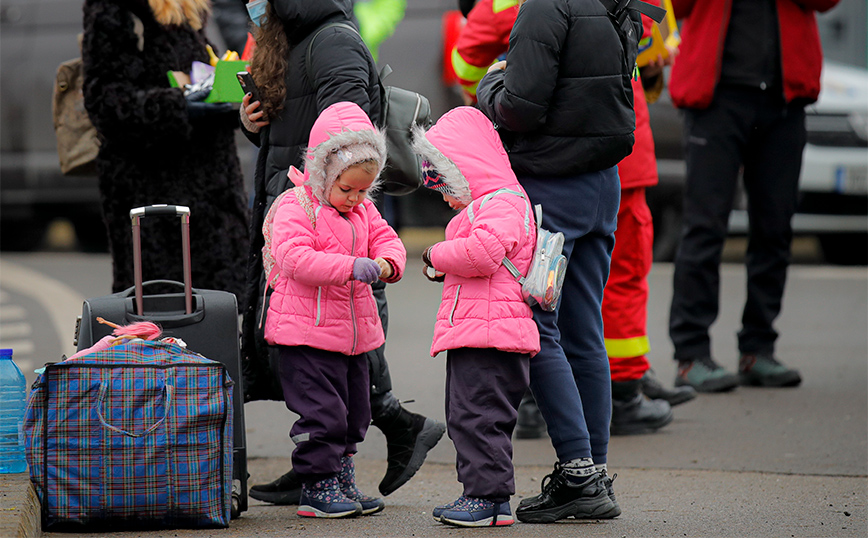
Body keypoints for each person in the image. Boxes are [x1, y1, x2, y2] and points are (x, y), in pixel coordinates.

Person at [238, 0, 445, 505]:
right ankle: (322, 466)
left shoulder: (333, 40)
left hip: (325, 214)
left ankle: (344, 459)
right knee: (306, 347)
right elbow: (295, 130)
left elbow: (351, 133)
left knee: (331, 345)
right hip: (298, 202)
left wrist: (330, 201)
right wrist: (251, 121)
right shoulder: (295, 41)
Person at [475, 0, 640, 523]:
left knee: (536, 325)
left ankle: (578, 471)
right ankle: (593, 471)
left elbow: (519, 107)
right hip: (601, 184)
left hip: (552, 186)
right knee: (584, 329)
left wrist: (491, 83)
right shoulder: (615, 3)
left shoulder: (547, 4)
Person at [666, 0, 838, 392]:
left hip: (783, 100)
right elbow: (676, 6)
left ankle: (758, 348)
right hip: (717, 98)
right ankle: (691, 354)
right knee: (705, 227)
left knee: (775, 228)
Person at [265, 101, 405, 518]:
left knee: (354, 412)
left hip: (352, 337)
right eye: (347, 189)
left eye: (364, 190)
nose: (355, 198)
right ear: (325, 172)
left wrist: (389, 262)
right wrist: (351, 267)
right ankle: (316, 485)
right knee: (321, 415)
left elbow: (387, 240)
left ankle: (341, 476)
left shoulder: (364, 208)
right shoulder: (297, 206)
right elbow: (294, 259)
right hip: (307, 335)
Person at [413, 106, 540, 527]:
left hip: (491, 336)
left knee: (479, 416)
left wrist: (435, 253)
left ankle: (486, 498)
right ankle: (486, 497)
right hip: (480, 331)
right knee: (467, 416)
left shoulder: (502, 202)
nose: (447, 199)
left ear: (467, 169)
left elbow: (483, 255)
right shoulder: (495, 203)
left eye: (447, 185)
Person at [82, 0, 250, 303]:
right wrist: (177, 107)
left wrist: (222, 97)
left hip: (211, 197)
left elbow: (199, 70)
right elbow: (105, 100)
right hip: (155, 202)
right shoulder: (116, 9)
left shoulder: (188, 6)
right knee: (162, 316)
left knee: (214, 315)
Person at [605, 7, 695, 436]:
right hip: (619, 153)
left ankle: (628, 376)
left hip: (581, 156)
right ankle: (622, 390)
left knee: (569, 278)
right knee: (622, 274)